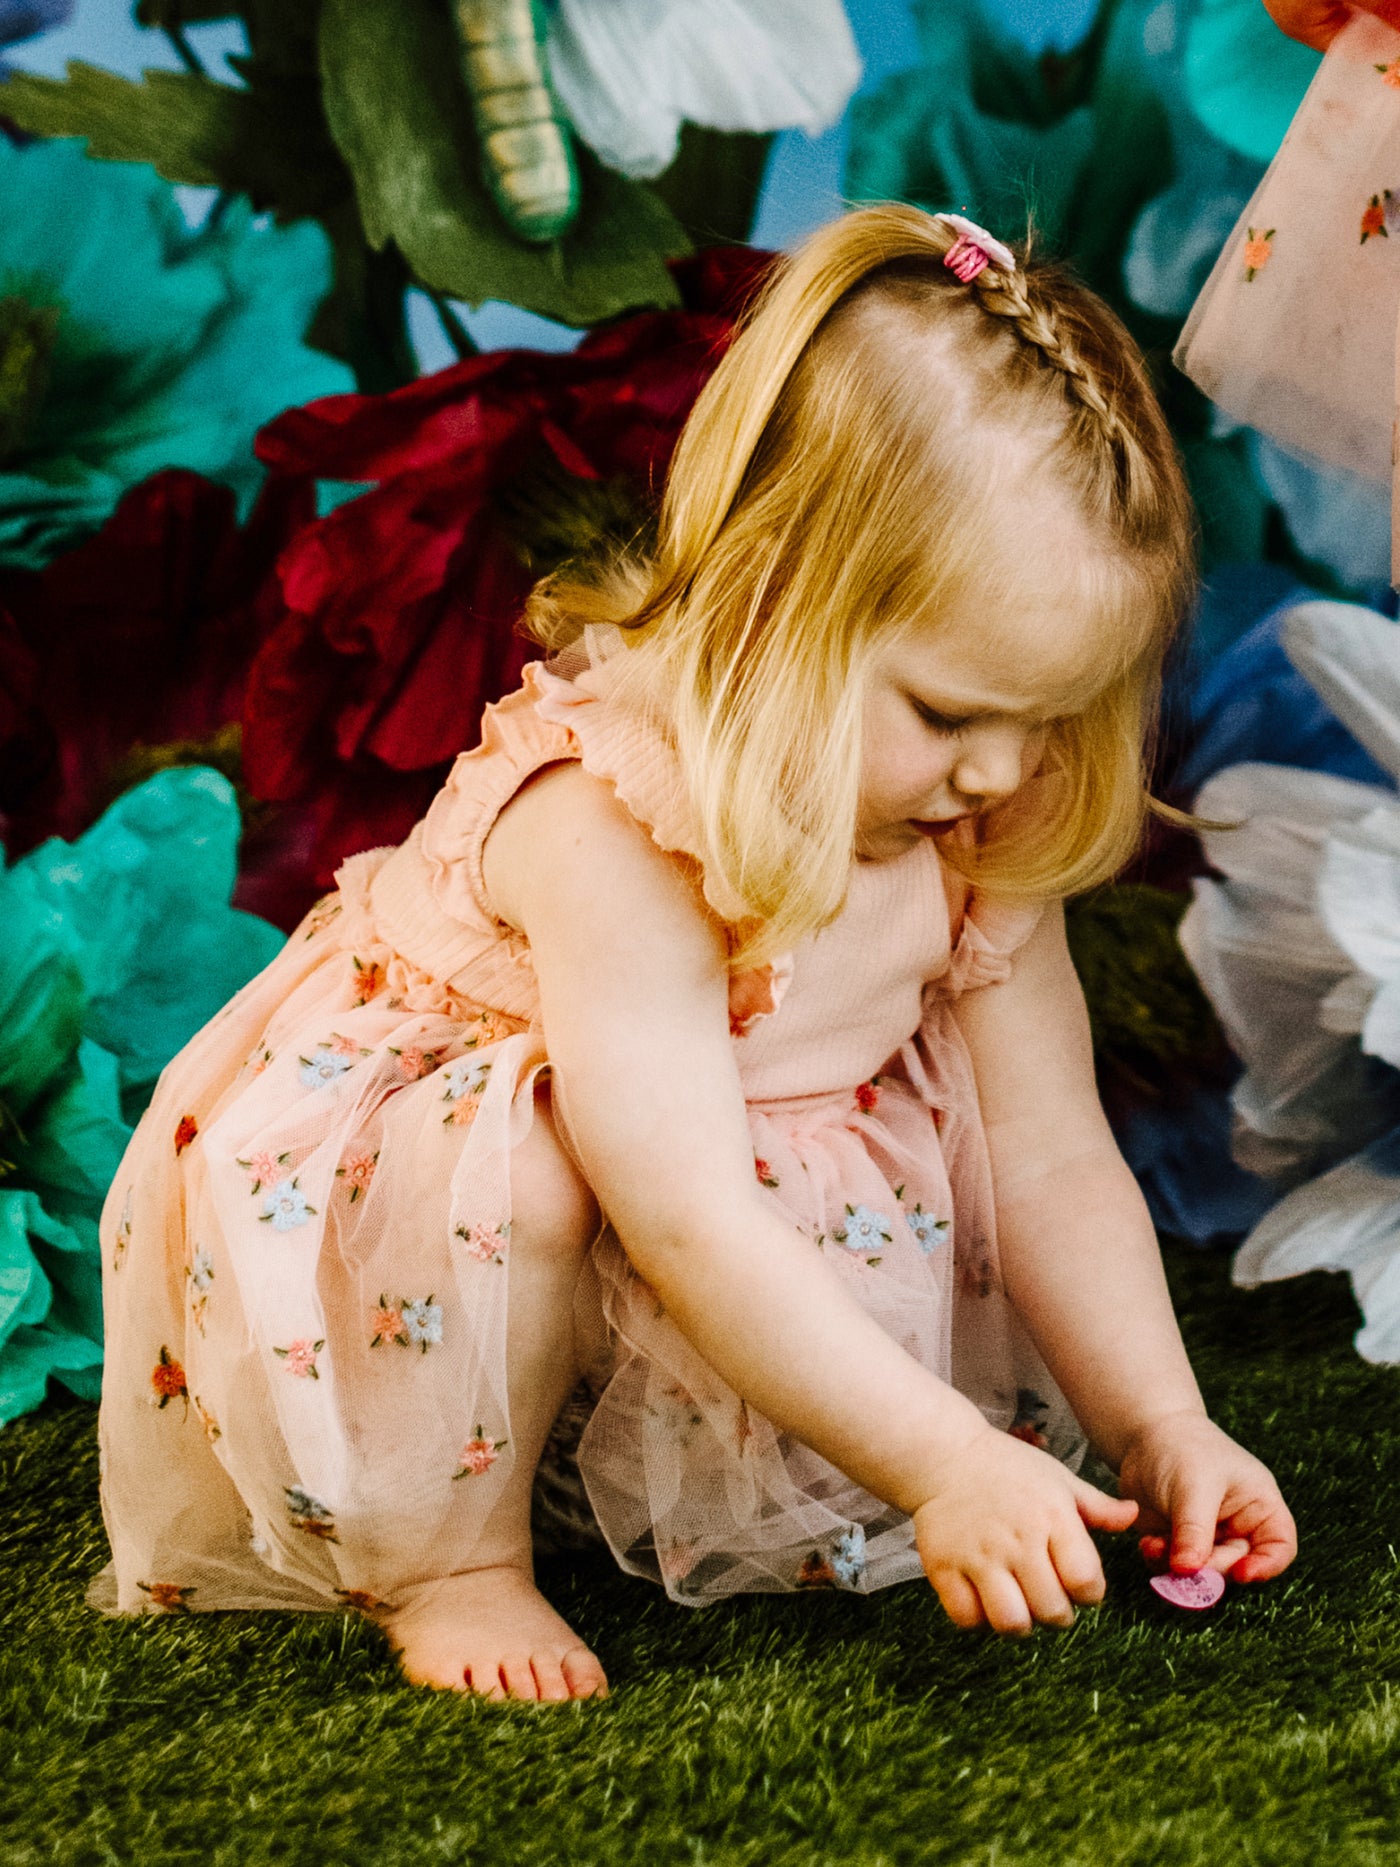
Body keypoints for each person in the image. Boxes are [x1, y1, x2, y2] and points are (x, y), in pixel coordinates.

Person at [90, 203, 1296, 1702]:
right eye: (950, 712)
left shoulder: (976, 816)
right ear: (776, 595)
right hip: (448, 1209)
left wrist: (1160, 1421)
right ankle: (453, 1558)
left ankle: (608, 1450)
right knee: (530, 1166)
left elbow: (1050, 1154)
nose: (1000, 771)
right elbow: (685, 1220)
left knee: (964, 1142)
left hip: (705, 1200)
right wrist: (936, 1455)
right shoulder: (618, 833)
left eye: (1048, 716)